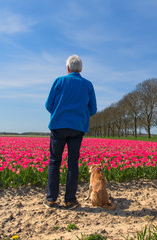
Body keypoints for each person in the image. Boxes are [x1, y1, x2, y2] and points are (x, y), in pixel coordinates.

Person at [44, 55, 97, 209]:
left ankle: (51, 199)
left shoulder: (59, 81)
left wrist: (58, 113)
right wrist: (81, 116)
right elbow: (93, 109)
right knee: (73, 163)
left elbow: (48, 104)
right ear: (81, 69)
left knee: (54, 161)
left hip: (58, 126)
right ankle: (70, 200)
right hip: (77, 128)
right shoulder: (88, 85)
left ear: (68, 68)